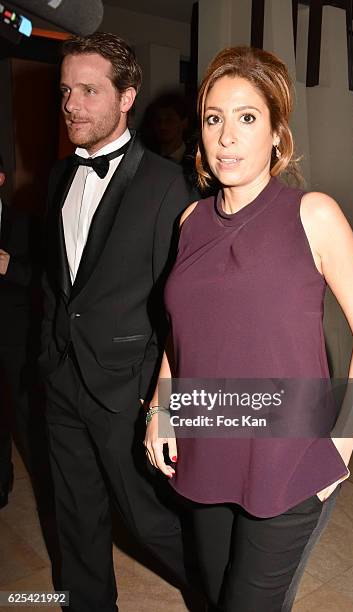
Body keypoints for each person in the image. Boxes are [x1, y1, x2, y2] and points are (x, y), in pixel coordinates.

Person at [145, 46, 353, 611]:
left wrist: (341, 449)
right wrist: (160, 408)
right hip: (205, 444)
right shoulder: (190, 221)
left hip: (287, 454)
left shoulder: (314, 214)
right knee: (211, 592)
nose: (227, 136)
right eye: (214, 118)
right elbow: (178, 330)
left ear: (277, 133)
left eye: (247, 117)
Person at [40, 32, 195, 611]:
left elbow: (178, 307)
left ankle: (220, 595)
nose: (71, 105)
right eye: (65, 91)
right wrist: (49, 357)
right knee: (76, 518)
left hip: (127, 389)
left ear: (126, 97)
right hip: (61, 379)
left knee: (152, 524)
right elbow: (64, 285)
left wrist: (160, 400)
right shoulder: (57, 177)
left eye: (88, 90)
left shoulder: (167, 186)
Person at [0, 154, 32, 509]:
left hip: (15, 343)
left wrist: (10, 267)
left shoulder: (24, 224)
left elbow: (47, 280)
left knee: (24, 419)